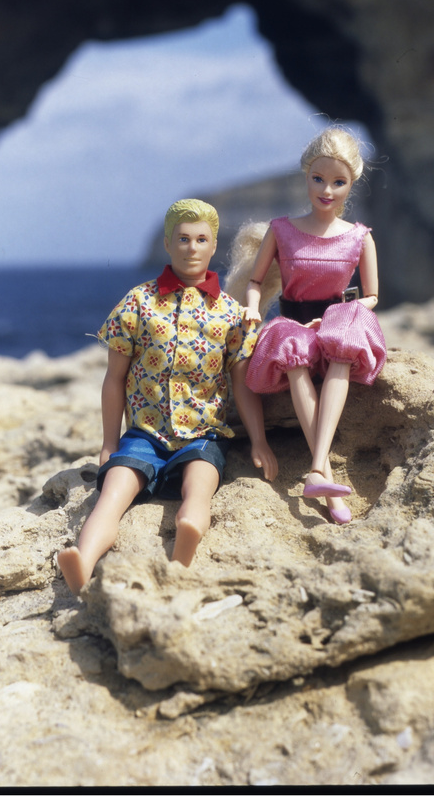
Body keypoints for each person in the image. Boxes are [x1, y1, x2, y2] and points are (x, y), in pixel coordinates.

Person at [57, 199, 278, 595]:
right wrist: (109, 441)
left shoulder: (229, 314)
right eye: (183, 239)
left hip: (202, 434)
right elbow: (114, 379)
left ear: (213, 247)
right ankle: (83, 559)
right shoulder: (139, 303)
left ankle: (186, 540)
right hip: (144, 435)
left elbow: (242, 383)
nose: (191, 248)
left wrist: (259, 440)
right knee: (113, 493)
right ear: (167, 244)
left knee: (200, 486)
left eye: (201, 240)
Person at [226, 126, 386, 524]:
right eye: (318, 178)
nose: (326, 190)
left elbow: (372, 295)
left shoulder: (359, 237)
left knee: (343, 349)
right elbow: (257, 281)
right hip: (292, 322)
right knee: (294, 355)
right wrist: (250, 307)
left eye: (338, 182)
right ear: (305, 176)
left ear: (352, 183)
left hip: (332, 323)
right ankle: (325, 479)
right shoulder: (282, 230)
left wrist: (337, 315)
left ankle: (317, 467)